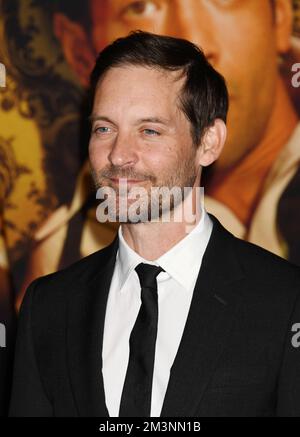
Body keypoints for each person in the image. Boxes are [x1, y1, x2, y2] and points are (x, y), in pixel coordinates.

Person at [9, 32, 300, 417]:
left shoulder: (285, 301)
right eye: (104, 128)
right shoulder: (47, 306)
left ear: (208, 142)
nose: (118, 155)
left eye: (149, 130)